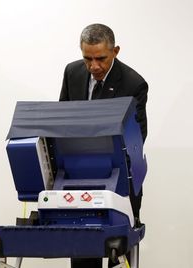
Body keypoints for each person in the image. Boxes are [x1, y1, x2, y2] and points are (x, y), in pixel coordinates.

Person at [59, 23, 147, 268]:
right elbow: (62, 125)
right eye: (87, 58)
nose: (93, 66)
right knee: (82, 256)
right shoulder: (72, 73)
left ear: (115, 51)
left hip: (119, 181)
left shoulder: (133, 84)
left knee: (118, 257)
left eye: (101, 58)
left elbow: (138, 138)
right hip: (78, 181)